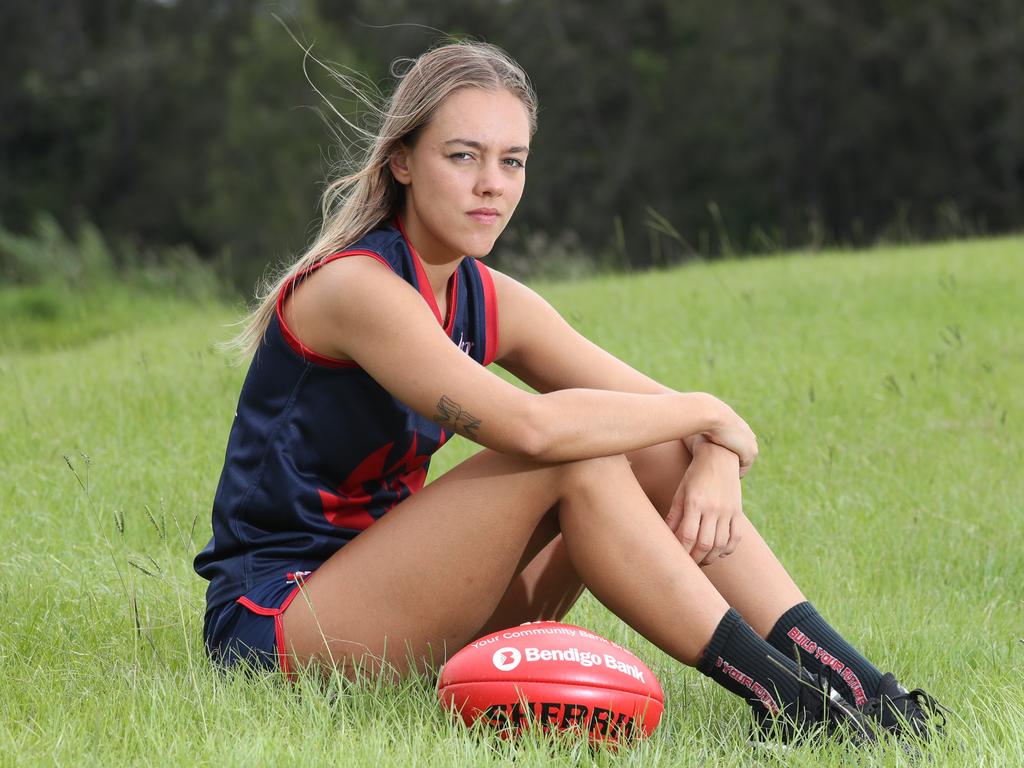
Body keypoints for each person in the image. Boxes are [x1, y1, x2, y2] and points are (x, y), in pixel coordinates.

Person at [194, 41, 942, 744]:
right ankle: (796, 704)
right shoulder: (357, 287)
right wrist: (710, 412)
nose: (493, 183)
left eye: (512, 161)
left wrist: (710, 444)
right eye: (463, 156)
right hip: (285, 620)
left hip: (416, 599)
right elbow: (536, 430)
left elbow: (663, 421)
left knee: (636, 443)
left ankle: (864, 691)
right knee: (572, 456)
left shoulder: (489, 299)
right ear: (403, 164)